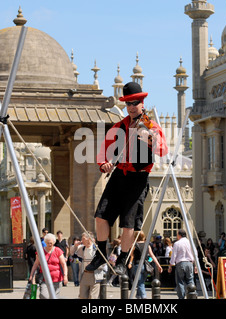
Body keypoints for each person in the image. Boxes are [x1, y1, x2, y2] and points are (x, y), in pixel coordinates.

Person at [86, 82, 168, 275]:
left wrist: (149, 138)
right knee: (100, 217)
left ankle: (123, 260)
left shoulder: (151, 126)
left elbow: (163, 150)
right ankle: (100, 254)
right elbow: (104, 152)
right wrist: (104, 164)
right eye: (128, 103)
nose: (132, 106)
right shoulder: (118, 127)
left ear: (142, 103)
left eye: (135, 102)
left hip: (137, 179)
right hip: (118, 176)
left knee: (128, 224)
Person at [29, 233, 67, 298]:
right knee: (44, 295)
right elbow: (36, 264)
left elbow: (63, 264)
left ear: (54, 242)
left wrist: (65, 276)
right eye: (48, 243)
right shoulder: (41, 251)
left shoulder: (58, 250)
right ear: (45, 242)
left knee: (54, 297)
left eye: (51, 243)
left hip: (56, 278)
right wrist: (31, 275)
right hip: (44, 278)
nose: (50, 244)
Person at [128, 231, 162, 299]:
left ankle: (144, 297)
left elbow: (131, 256)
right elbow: (152, 256)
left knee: (140, 283)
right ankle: (138, 296)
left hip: (138, 265)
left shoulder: (134, 245)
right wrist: (158, 266)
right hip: (146, 266)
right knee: (141, 282)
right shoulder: (147, 245)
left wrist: (130, 263)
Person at [72, 231, 107, 299]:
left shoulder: (98, 249)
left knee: (93, 297)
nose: (81, 240)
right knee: (82, 296)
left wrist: (94, 265)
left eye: (83, 238)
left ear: (89, 239)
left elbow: (104, 263)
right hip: (85, 275)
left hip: (95, 276)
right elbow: (73, 254)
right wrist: (75, 246)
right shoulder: (82, 248)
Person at [168, 229, 196, 299]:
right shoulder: (190, 242)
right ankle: (192, 295)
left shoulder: (177, 243)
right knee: (190, 280)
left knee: (180, 282)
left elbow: (173, 255)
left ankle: (181, 297)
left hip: (180, 263)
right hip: (189, 263)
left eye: (177, 234)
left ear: (179, 235)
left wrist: (170, 265)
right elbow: (195, 254)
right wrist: (195, 265)